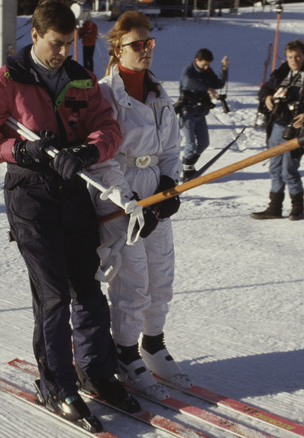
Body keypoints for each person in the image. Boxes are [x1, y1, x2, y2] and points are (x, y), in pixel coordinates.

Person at [0, 1, 140, 428]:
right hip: (30, 192)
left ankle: (95, 370)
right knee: (54, 293)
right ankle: (55, 384)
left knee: (88, 287)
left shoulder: (81, 78)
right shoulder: (5, 81)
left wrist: (89, 149)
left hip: (72, 187)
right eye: (55, 44)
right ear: (35, 36)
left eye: (68, 44)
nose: (61, 52)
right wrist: (17, 149)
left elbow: (107, 126)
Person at [89, 10, 189, 401]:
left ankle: (153, 344)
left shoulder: (158, 92)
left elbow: (172, 147)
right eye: (137, 44)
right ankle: (125, 354)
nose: (146, 50)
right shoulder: (103, 93)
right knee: (132, 280)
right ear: (117, 48)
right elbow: (102, 155)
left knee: (161, 273)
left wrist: (169, 185)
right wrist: (129, 201)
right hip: (122, 193)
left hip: (155, 192)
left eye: (149, 43)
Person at [251, 39, 304, 221]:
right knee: (274, 167)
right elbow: (264, 89)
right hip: (277, 126)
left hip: (297, 130)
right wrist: (266, 98)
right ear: (286, 57)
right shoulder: (280, 74)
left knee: (289, 170)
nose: (294, 60)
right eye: (290, 57)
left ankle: (298, 207)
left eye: (297, 56)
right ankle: (274, 207)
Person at [176, 48, 229, 181]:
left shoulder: (207, 71)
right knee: (190, 144)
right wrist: (207, 88)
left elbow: (218, 83)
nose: (206, 67)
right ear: (196, 61)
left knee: (204, 143)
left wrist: (224, 68)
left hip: (200, 113)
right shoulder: (188, 70)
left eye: (208, 65)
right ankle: (187, 171)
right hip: (187, 112)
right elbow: (188, 82)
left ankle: (189, 164)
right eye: (204, 64)